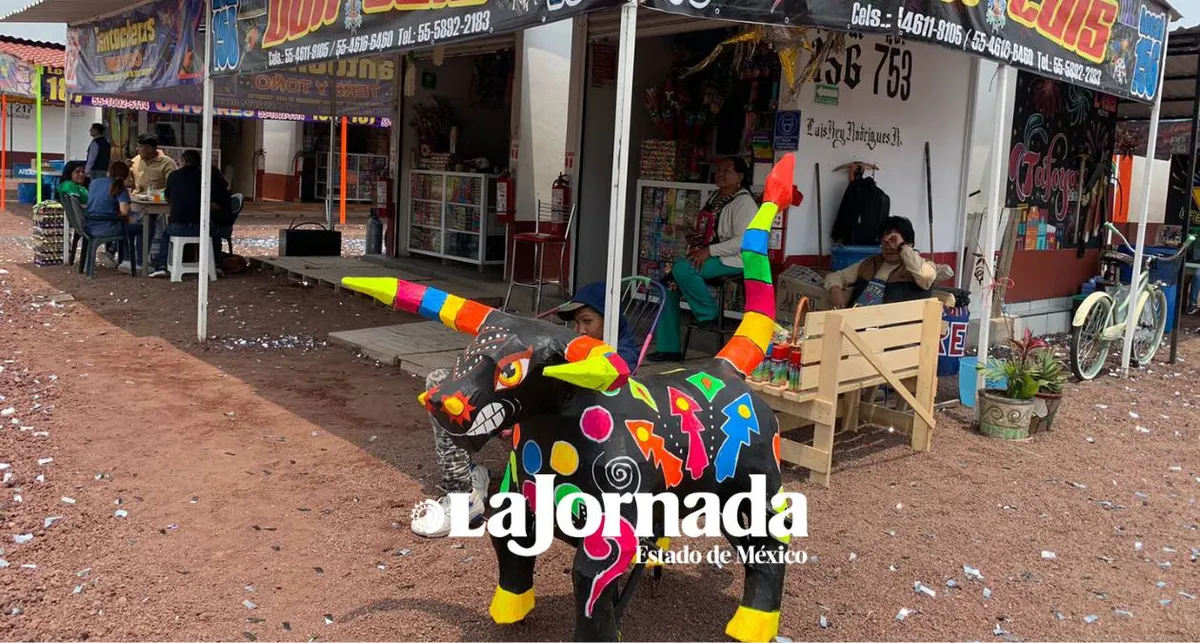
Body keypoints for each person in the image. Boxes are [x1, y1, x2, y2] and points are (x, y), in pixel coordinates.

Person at [410, 281, 642, 538]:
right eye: (577, 324)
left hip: (564, 433)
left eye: (587, 321)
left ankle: (467, 494)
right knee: (442, 385)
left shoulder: (620, 358)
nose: (580, 330)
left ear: (610, 322)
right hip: (523, 413)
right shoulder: (566, 347)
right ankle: (462, 486)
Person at [647, 157, 759, 362]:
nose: (721, 174)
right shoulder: (716, 196)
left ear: (740, 176)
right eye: (719, 170)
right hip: (710, 255)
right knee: (666, 287)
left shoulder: (744, 202)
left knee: (683, 269)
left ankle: (708, 313)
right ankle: (669, 348)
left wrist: (710, 250)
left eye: (727, 171)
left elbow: (744, 240)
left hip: (732, 259)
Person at [824, 215, 937, 308]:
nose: (889, 247)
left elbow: (925, 277)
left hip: (892, 329)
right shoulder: (870, 263)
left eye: (894, 241)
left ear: (909, 244)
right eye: (885, 241)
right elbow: (836, 276)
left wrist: (901, 246)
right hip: (856, 322)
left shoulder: (924, 266)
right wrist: (835, 290)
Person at [149, 150, 230, 278]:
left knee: (166, 235)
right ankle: (215, 265)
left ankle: (162, 266)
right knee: (215, 234)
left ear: (184, 161)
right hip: (202, 228)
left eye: (180, 161)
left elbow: (168, 197)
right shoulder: (206, 177)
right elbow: (218, 202)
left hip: (178, 228)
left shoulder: (174, 176)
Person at [85, 161, 143, 270]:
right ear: (126, 176)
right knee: (139, 227)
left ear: (109, 171)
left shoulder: (94, 182)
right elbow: (124, 211)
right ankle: (137, 261)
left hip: (90, 224)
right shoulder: (121, 188)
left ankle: (115, 254)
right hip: (107, 227)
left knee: (126, 224)